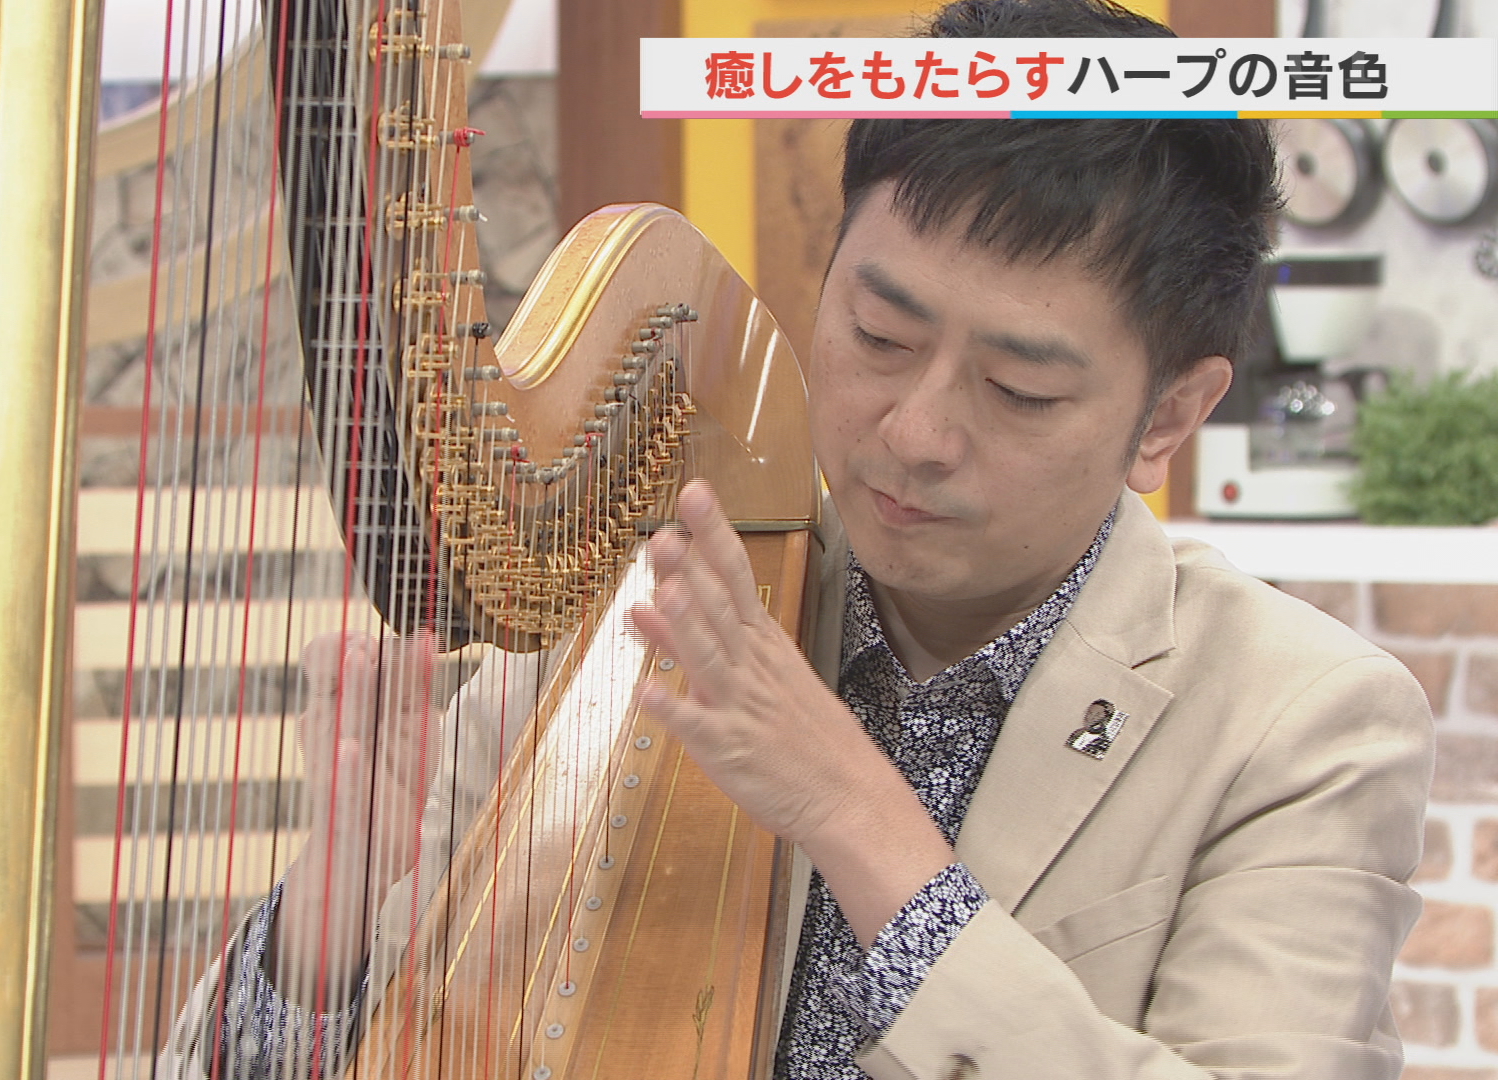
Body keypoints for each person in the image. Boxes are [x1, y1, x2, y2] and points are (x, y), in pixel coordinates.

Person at [168, 0, 1435, 1076]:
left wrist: (855, 814)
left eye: (1018, 390)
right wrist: (324, 930)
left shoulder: (1304, 723)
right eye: (879, 336)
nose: (915, 431)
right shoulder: (640, 609)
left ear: (1170, 415)